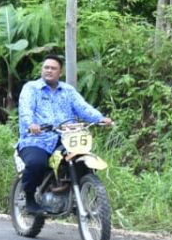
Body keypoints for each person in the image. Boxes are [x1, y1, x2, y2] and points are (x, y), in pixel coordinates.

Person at [16, 54, 112, 215]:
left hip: (65, 138)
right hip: (37, 139)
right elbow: (25, 109)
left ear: (60, 72)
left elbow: (83, 107)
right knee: (36, 163)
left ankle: (77, 195)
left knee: (80, 160)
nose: (49, 70)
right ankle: (30, 198)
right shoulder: (31, 88)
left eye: (53, 68)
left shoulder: (68, 91)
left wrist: (100, 118)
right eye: (46, 67)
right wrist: (31, 124)